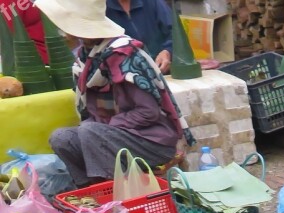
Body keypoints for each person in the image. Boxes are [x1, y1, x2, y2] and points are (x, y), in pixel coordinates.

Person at [39, 0, 194, 188]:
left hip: (152, 142)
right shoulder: (87, 56)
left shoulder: (123, 55)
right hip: (114, 136)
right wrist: (101, 128)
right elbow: (92, 115)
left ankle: (111, 191)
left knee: (90, 131)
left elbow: (148, 112)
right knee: (62, 138)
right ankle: (89, 190)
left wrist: (106, 127)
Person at [106, 0, 172, 73]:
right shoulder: (101, 9)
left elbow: (176, 33)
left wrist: (168, 51)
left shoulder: (154, 2)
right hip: (126, 75)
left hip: (163, 72)